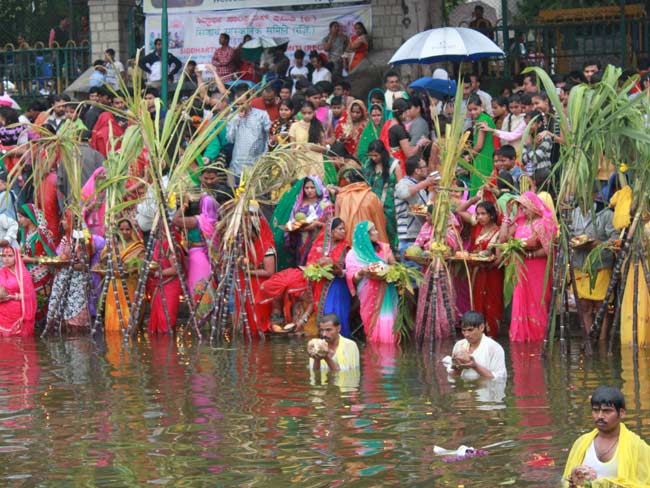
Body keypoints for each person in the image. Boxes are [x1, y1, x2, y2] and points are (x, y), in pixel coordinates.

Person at [563, 386, 650, 487]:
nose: (600, 416)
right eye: (596, 410)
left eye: (607, 411)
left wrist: (597, 484)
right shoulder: (581, 444)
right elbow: (565, 482)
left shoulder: (637, 447)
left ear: (621, 413)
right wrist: (573, 481)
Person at [500, 192, 557, 342]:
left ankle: (538, 338)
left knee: (538, 301)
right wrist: (506, 216)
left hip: (537, 267)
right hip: (521, 267)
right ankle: (521, 337)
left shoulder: (544, 223)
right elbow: (503, 239)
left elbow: (549, 250)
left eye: (525, 207)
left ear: (533, 206)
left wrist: (530, 255)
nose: (523, 210)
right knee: (520, 299)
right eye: (521, 207)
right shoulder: (520, 221)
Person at [569, 196, 617, 341]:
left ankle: (602, 340)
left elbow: (615, 238)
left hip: (600, 266)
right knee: (584, 307)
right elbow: (570, 234)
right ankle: (589, 340)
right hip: (580, 265)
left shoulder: (606, 214)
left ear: (593, 194)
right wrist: (572, 241)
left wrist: (598, 244)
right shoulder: (574, 213)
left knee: (602, 306)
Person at [345, 220, 398, 343]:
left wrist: (389, 270)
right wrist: (362, 272)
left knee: (388, 324)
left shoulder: (384, 248)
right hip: (367, 293)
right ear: (364, 235)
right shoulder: (353, 254)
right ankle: (373, 354)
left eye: (375, 229)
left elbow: (394, 265)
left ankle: (388, 353)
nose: (377, 232)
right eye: (373, 230)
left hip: (386, 292)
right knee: (371, 325)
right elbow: (352, 277)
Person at [272, 175, 332, 268]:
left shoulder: (324, 204)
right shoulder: (299, 202)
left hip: (317, 240)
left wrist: (317, 224)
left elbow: (331, 225)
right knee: (300, 263)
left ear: (318, 187)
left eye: (312, 187)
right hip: (300, 239)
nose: (309, 190)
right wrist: (294, 226)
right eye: (306, 188)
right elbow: (292, 218)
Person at [306, 218, 352, 337]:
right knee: (325, 315)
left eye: (344, 229)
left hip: (338, 286)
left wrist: (339, 271)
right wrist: (315, 269)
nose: (343, 231)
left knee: (337, 315)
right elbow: (309, 264)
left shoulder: (346, 247)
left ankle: (342, 343)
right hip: (320, 285)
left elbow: (352, 270)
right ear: (331, 232)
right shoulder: (318, 246)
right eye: (340, 229)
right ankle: (325, 345)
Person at [102, 219, 145, 333]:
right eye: (121, 229)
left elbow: (141, 265)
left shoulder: (137, 247)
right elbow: (102, 261)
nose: (124, 232)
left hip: (130, 284)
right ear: (117, 231)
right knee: (113, 318)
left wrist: (128, 268)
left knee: (128, 316)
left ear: (131, 231)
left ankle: (130, 341)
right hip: (114, 285)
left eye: (127, 229)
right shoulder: (112, 245)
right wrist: (109, 258)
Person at [469, 201, 503, 337]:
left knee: (491, 302)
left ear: (492, 215)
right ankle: (478, 334)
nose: (480, 217)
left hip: (492, 273)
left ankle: (492, 334)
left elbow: (499, 257)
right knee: (478, 301)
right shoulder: (478, 230)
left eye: (483, 214)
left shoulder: (499, 232)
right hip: (478, 272)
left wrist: (489, 263)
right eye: (478, 214)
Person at [17, 204, 56, 323]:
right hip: (27, 273)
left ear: (29, 217)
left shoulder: (42, 233)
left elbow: (52, 257)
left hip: (42, 274)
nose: (19, 220)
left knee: (41, 302)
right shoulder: (24, 233)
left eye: (21, 217)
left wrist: (31, 260)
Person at [226, 84, 271, 182]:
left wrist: (264, 157)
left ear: (250, 101)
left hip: (256, 164)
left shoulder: (261, 115)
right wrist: (236, 120)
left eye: (242, 103)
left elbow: (269, 137)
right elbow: (230, 139)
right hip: (237, 164)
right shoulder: (233, 117)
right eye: (237, 104)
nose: (239, 107)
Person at [394, 155, 437, 258]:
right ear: (417, 170)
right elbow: (404, 194)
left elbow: (423, 210)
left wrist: (434, 190)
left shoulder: (420, 188)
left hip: (418, 237)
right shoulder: (403, 183)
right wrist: (425, 183)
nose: (427, 169)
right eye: (424, 167)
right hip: (407, 237)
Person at [333, 169, 389, 245]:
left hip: (349, 242)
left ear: (348, 180)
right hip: (370, 240)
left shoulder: (341, 197)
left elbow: (337, 223)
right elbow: (380, 220)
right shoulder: (372, 196)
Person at [446, 311, 507, 379]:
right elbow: (452, 376)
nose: (466, 334)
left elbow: (499, 378)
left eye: (470, 330)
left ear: (481, 327)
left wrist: (475, 366)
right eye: (463, 330)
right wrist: (459, 368)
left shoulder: (495, 348)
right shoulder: (459, 345)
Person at [364, 140, 402, 250]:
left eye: (376, 155)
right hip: (372, 205)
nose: (373, 158)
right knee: (373, 231)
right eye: (371, 155)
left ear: (382, 153)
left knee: (389, 230)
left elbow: (400, 186)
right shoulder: (368, 165)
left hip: (390, 207)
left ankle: (391, 255)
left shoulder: (394, 165)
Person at [146, 230, 182, 334]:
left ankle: (167, 347)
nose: (160, 235)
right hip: (158, 284)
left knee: (166, 320)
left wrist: (158, 273)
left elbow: (175, 269)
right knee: (158, 321)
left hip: (169, 285)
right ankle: (159, 347)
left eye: (162, 233)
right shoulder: (157, 244)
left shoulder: (170, 246)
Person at [0, 246, 37, 336]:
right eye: (4, 256)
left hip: (19, 313)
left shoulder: (24, 275)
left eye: (10, 256)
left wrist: (13, 296)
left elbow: (30, 296)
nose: (6, 259)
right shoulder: (1, 272)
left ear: (16, 257)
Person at [466, 94, 496, 195]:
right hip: (484, 157)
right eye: (470, 110)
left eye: (475, 109)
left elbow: (479, 146)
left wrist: (469, 157)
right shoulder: (483, 118)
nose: (473, 112)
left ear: (481, 107)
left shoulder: (482, 121)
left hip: (483, 158)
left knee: (479, 191)